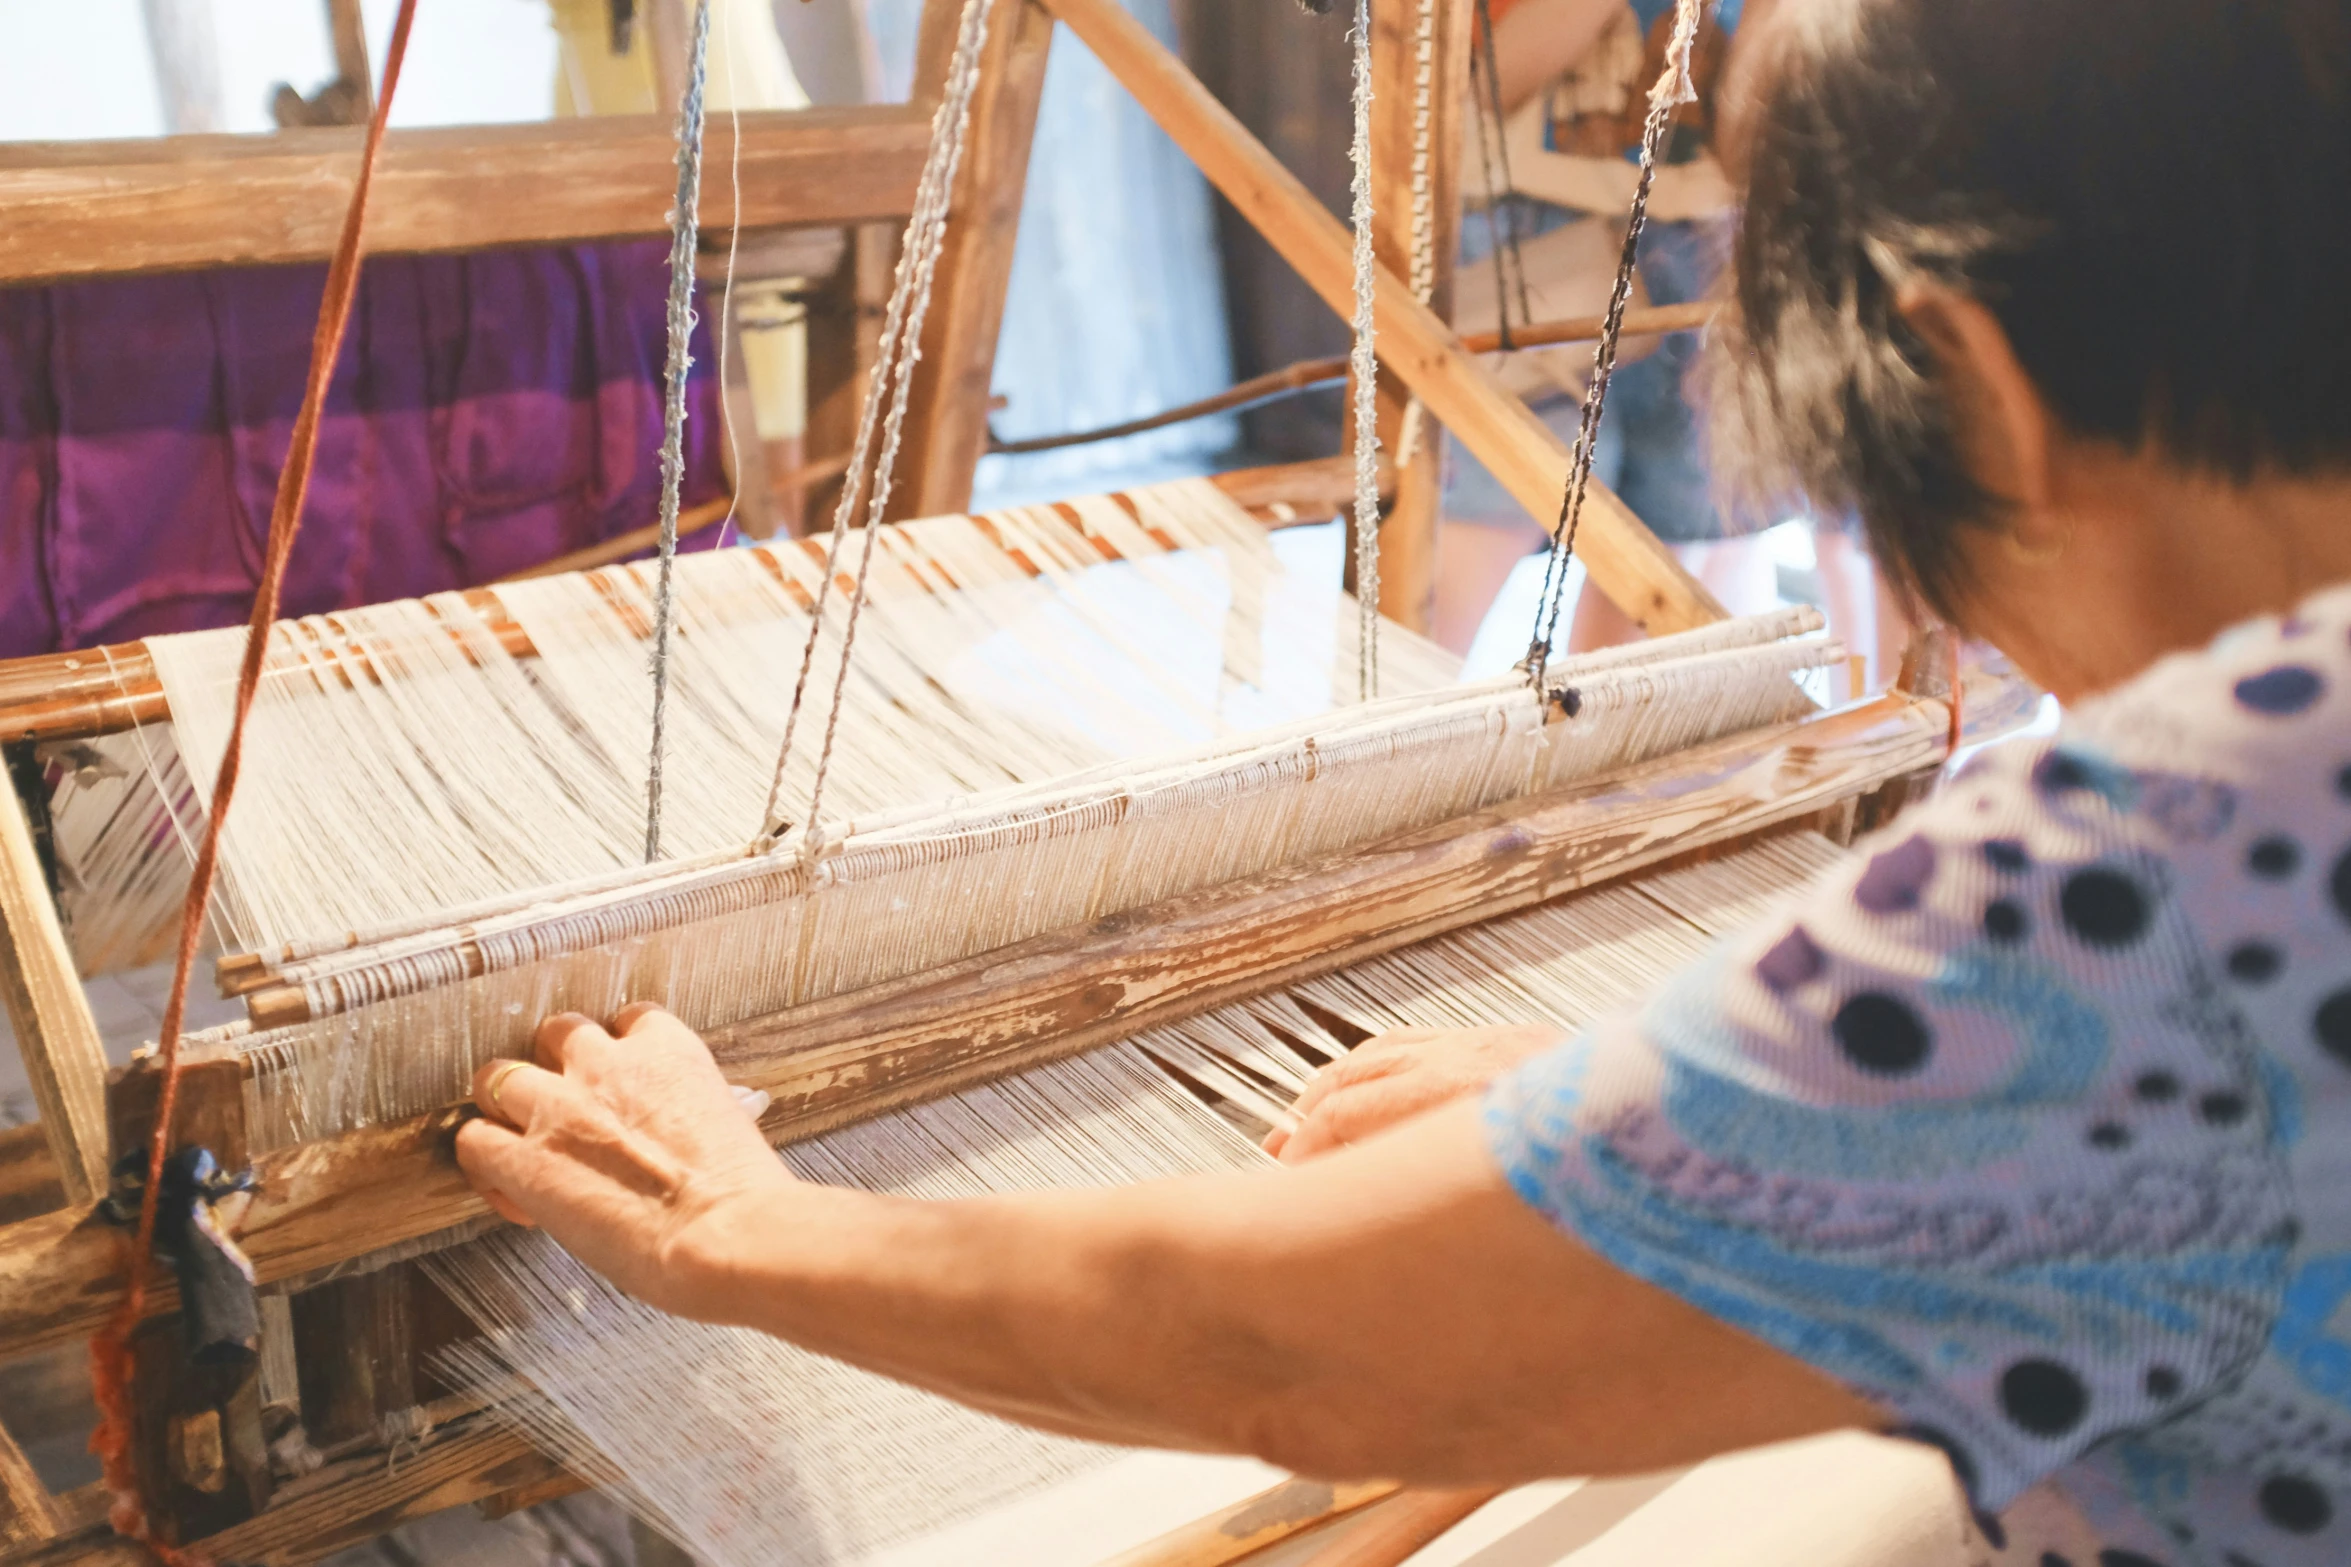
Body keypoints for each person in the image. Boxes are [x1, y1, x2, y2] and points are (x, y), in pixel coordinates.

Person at [456, 3, 2351, 1560]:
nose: (1991, 647)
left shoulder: (2175, 871)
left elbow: (1298, 1353)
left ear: (1977, 380)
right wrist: (1679, 1110)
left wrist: (737, 1224)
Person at [1436, 0, 1774, 656]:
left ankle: (1591, 753)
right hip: (1528, 213)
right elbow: (1487, 78)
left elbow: (1759, 129)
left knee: (1668, 547)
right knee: (1475, 522)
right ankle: (1388, 748)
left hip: (1709, 229)